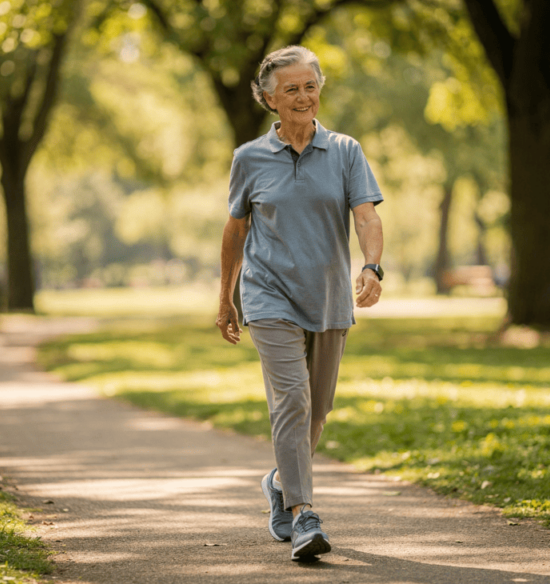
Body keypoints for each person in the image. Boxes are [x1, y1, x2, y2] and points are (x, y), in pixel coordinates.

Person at [216, 45, 385, 562]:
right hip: (268, 295)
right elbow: (236, 229)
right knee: (291, 400)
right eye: (290, 88)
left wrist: (371, 264)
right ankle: (303, 514)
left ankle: (277, 482)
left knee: (318, 407)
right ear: (269, 98)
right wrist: (226, 295)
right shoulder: (248, 159)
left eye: (310, 85)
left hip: (329, 294)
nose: (303, 96)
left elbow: (366, 216)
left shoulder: (345, 151)